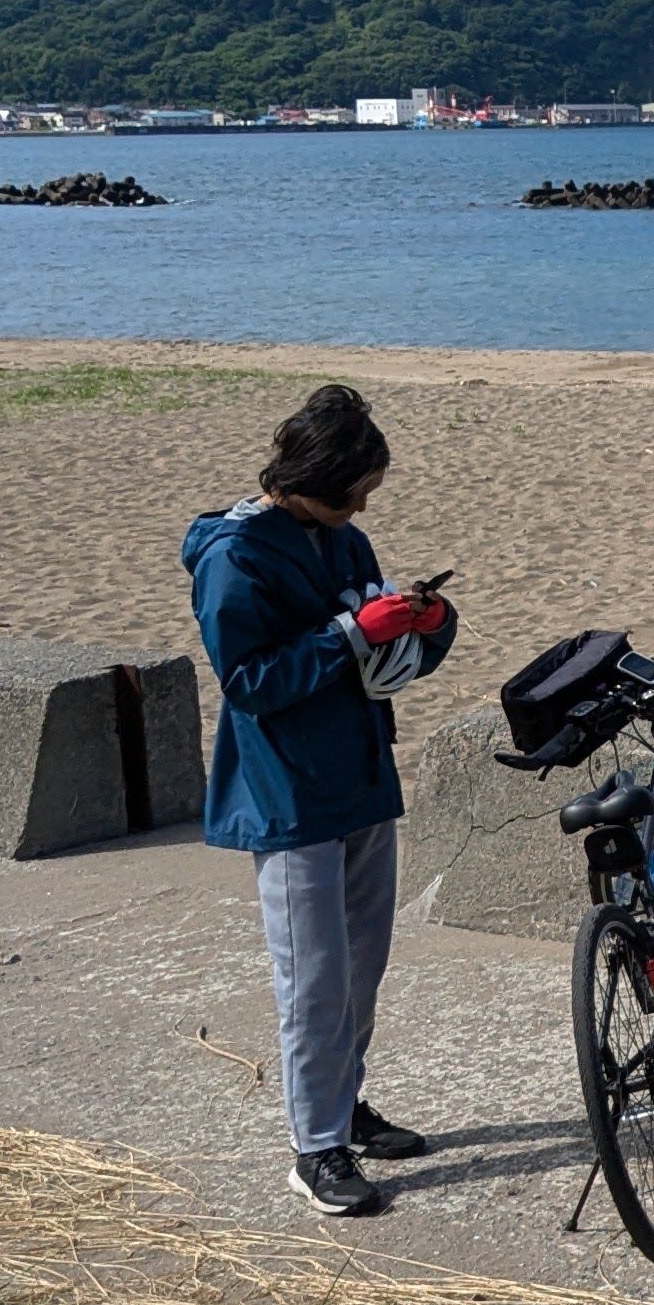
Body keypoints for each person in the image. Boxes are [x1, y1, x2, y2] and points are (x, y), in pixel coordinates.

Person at [184, 383, 456, 1219]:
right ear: (316, 480)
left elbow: (374, 639)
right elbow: (249, 681)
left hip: (361, 780)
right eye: (361, 490)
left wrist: (426, 622)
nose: (367, 507)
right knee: (313, 980)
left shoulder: (343, 536)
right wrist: (352, 634)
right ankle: (315, 1148)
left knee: (360, 970)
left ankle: (345, 1106)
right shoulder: (236, 559)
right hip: (290, 794)